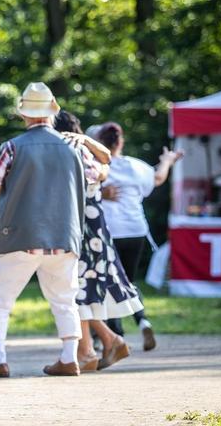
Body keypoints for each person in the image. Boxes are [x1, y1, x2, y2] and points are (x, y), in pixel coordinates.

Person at [0, 82, 86, 378]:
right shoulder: (73, 148)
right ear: (52, 113)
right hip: (65, 236)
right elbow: (90, 180)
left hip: (20, 235)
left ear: (24, 114)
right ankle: (69, 357)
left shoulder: (11, 147)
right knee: (65, 299)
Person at [54, 111, 144, 372]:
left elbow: (98, 172)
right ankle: (100, 344)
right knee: (77, 291)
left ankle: (93, 348)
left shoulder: (70, 152)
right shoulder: (86, 152)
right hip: (95, 231)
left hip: (81, 231)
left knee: (75, 291)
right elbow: (104, 166)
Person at [96, 122, 183, 352]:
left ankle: (117, 336)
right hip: (136, 230)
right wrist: (167, 161)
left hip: (109, 231)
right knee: (128, 281)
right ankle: (143, 321)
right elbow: (157, 178)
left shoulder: (97, 166)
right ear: (120, 142)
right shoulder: (136, 166)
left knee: (108, 283)